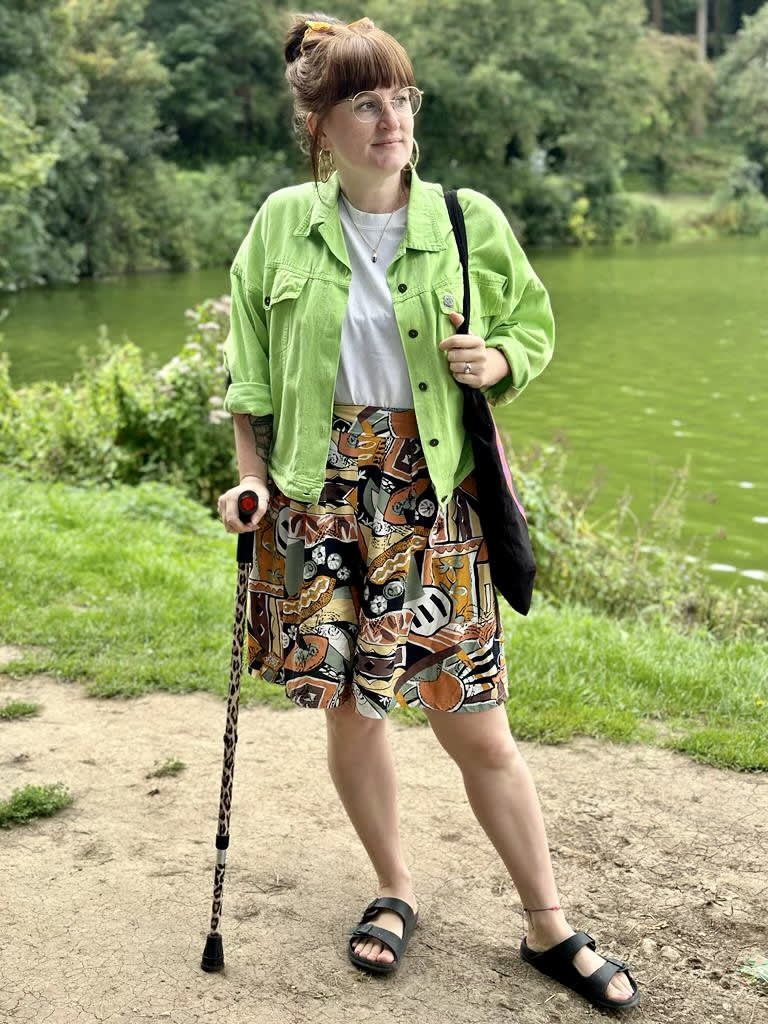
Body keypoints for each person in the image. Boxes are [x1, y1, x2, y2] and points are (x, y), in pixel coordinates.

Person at [216, 12, 638, 1011]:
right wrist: (247, 476)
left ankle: (548, 922)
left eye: (401, 96)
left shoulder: (465, 220)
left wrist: (495, 360)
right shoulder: (282, 223)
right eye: (365, 101)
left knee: (476, 722)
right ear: (320, 123)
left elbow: (529, 324)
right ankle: (394, 887)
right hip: (318, 506)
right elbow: (251, 376)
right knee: (356, 712)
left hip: (432, 497)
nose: (391, 118)